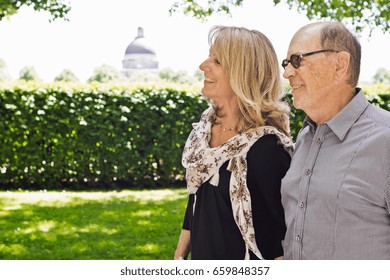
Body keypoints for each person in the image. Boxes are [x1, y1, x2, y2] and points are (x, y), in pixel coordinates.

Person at [174, 26, 294, 260]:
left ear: (244, 74)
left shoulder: (266, 150)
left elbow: (282, 237)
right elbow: (195, 199)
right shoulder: (202, 132)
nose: (203, 66)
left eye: (216, 61)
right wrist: (179, 256)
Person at [281, 21, 390, 259]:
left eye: (297, 60)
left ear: (340, 65)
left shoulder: (386, 138)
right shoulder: (305, 137)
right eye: (286, 63)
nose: (287, 73)